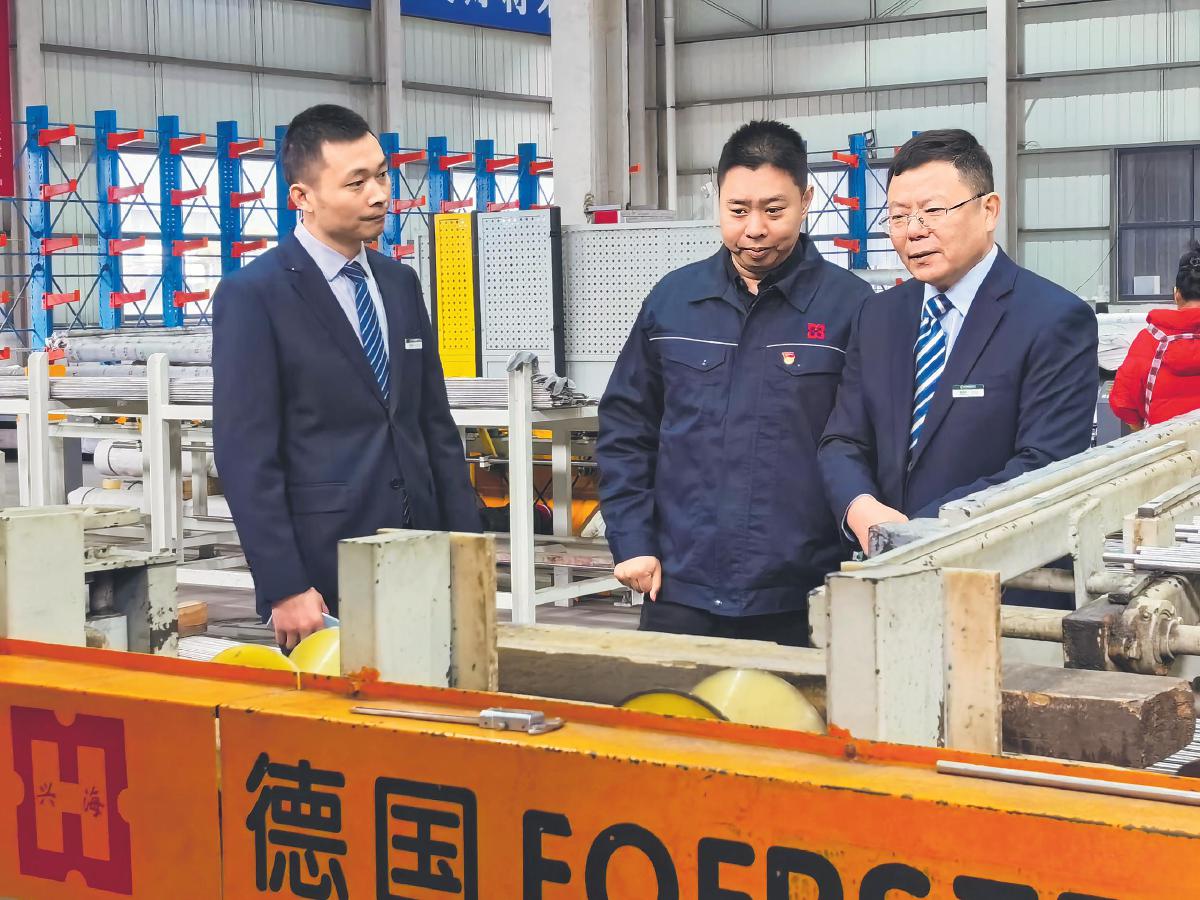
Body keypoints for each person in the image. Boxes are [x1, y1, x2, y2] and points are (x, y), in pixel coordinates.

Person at [213, 104, 480, 651]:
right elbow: (246, 454)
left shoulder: (399, 283)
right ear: (302, 197)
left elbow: (433, 424)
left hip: (423, 547)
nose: (379, 195)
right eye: (356, 183)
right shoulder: (255, 295)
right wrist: (285, 584)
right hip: (325, 566)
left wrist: (468, 547)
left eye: (382, 175)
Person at [597, 120, 873, 646]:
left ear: (806, 200)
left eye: (774, 210)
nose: (755, 229)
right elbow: (626, 430)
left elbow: (867, 443)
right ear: (717, 199)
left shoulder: (851, 307)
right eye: (738, 210)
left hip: (804, 594)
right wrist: (632, 540)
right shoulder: (674, 302)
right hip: (678, 586)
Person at [818, 129, 1098, 580]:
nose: (914, 231)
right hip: (883, 572)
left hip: (997, 579)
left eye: (933, 211)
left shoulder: (1053, 319)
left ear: (988, 210)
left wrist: (920, 532)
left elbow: (1045, 465)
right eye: (898, 216)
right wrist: (861, 508)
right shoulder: (879, 315)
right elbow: (843, 439)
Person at [1109, 241, 1200, 430]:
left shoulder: (1150, 340)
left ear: (1176, 294)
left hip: (1166, 445)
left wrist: (1143, 433)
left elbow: (1124, 402)